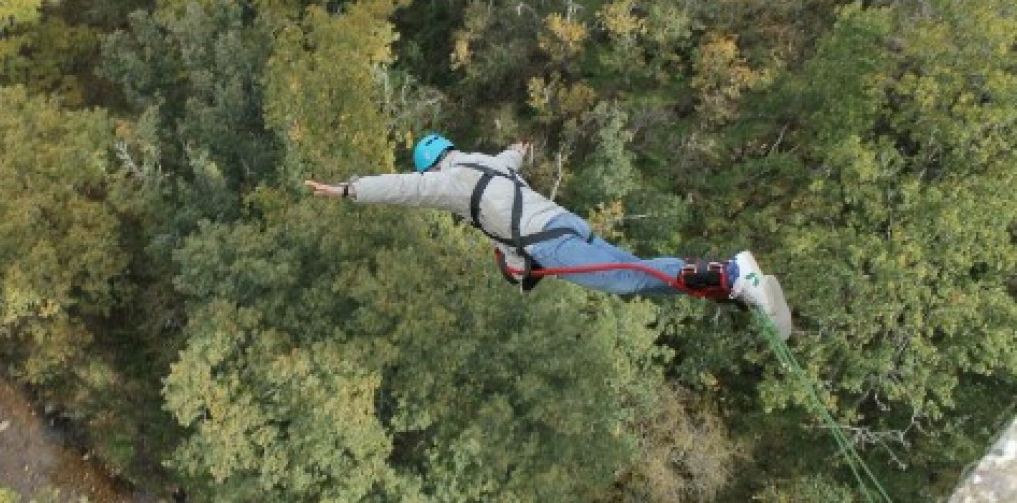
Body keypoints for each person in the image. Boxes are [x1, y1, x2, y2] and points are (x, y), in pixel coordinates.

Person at [305, 133, 792, 338]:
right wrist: (519, 147)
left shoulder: (446, 182)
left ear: (430, 165)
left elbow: (400, 189)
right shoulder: (487, 163)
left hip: (551, 242)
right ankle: (725, 287)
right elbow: (512, 157)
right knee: (637, 276)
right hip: (567, 225)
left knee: (628, 276)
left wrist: (348, 190)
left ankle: (731, 272)